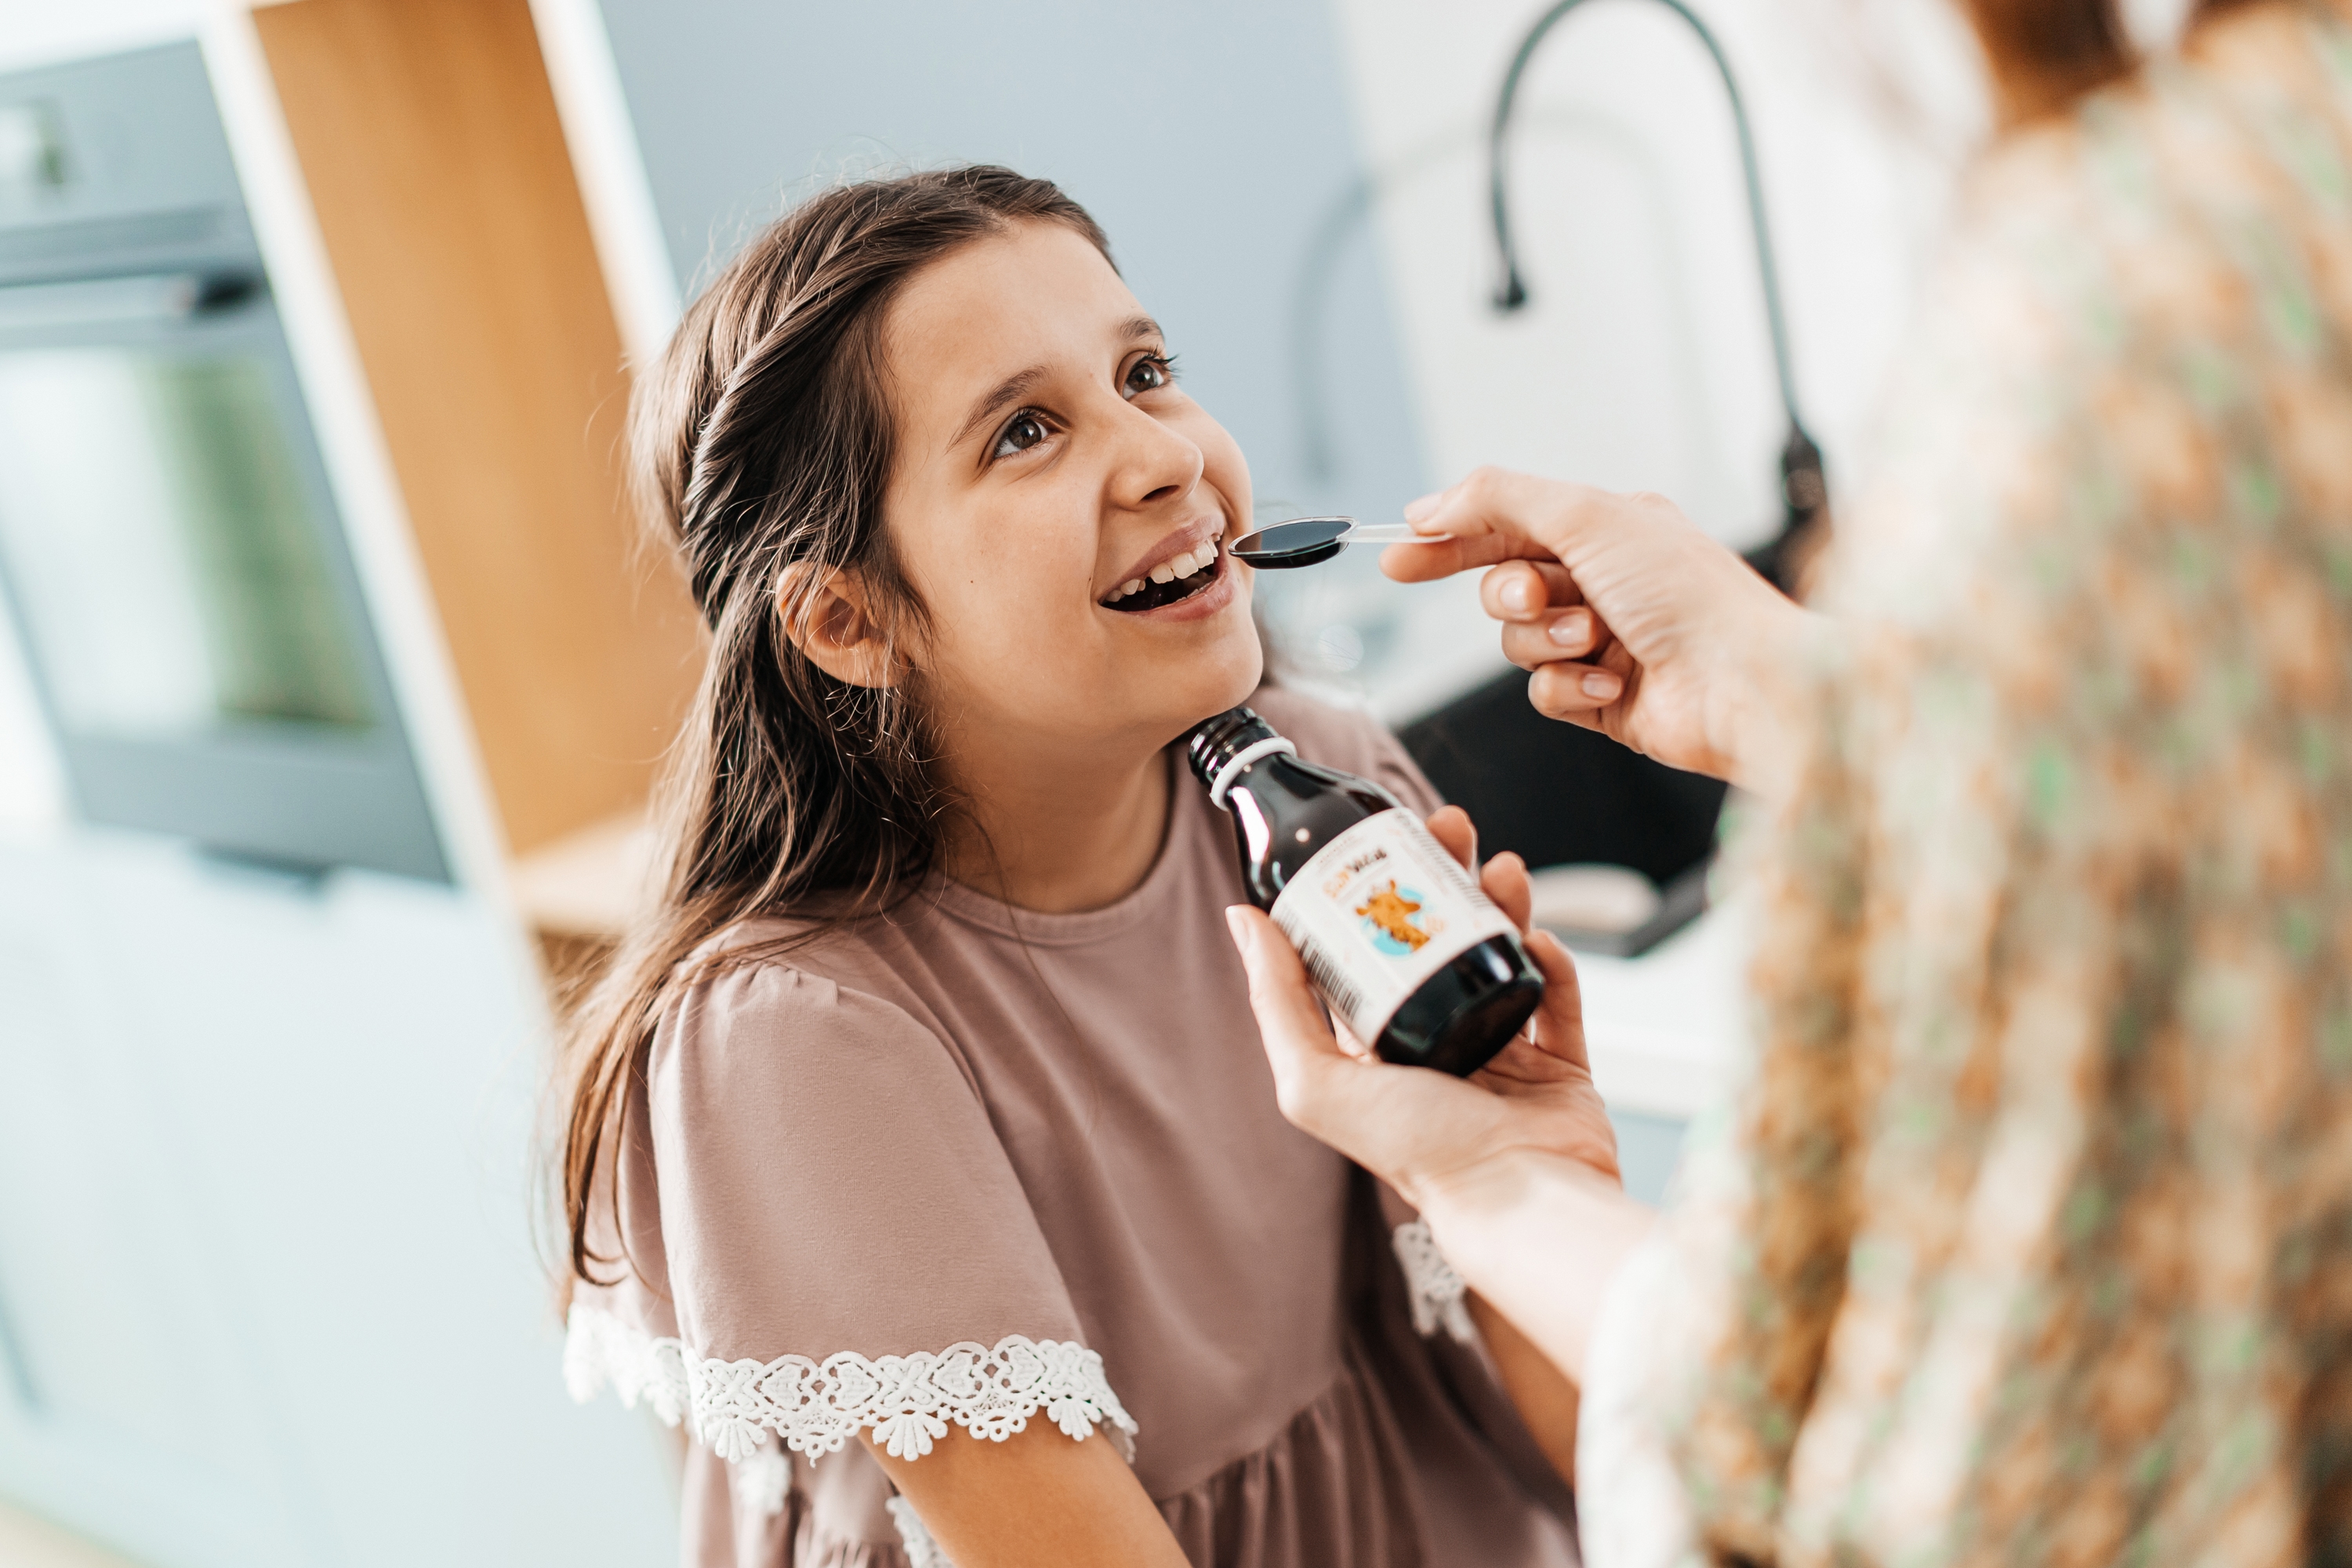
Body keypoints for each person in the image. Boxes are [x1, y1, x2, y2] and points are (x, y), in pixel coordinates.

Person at [1226, 1, 2352, 1563]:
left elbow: (1937, 1486)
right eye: (1020, 430)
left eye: (1150, 370)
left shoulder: (2114, 322)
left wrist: (1494, 1188)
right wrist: (1811, 696)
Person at [550, 167, 1586, 1568]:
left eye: (1145, 372)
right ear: (848, 619)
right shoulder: (804, 1038)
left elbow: (1578, 1418)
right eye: (1026, 432)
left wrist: (1541, 1185)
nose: (1163, 455)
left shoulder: (1324, 785)